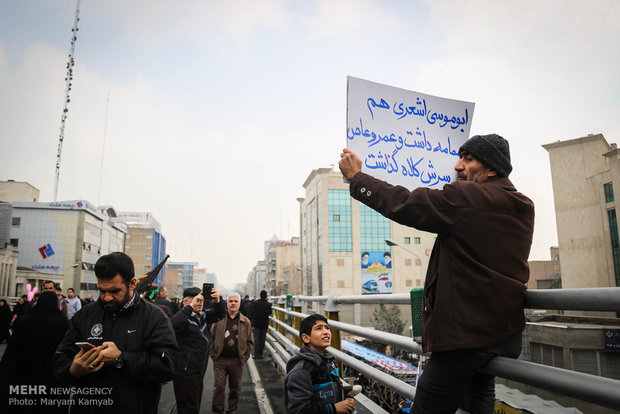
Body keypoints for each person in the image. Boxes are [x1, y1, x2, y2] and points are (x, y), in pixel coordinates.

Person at [339, 134, 535, 414]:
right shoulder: (524, 205)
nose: (457, 166)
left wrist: (358, 177)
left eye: (468, 159)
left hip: (465, 339)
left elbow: (407, 204)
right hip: (505, 333)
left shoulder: (468, 197)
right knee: (479, 395)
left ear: (491, 169)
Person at [54, 252, 178, 414]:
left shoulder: (154, 317)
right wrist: (71, 370)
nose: (106, 298)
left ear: (132, 284)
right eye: (102, 291)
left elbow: (167, 366)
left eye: (114, 291)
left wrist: (121, 358)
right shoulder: (85, 315)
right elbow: (59, 358)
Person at [1, 291, 69, 413]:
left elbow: (14, 349)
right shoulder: (63, 322)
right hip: (53, 371)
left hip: (27, 369)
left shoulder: (26, 320)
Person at [284, 314, 355, 414]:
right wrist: (334, 408)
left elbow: (324, 391)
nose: (326, 332)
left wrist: (346, 396)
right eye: (319, 328)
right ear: (306, 338)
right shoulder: (302, 370)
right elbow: (298, 410)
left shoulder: (329, 362)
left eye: (327, 328)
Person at [171, 286, 226, 414]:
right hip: (184, 374)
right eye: (197, 300)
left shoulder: (203, 317)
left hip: (198, 373)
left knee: (194, 407)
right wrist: (190, 308)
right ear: (185, 301)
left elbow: (220, 314)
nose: (200, 304)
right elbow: (173, 324)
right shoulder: (183, 317)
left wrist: (218, 301)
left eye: (202, 301)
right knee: (187, 409)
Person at [210, 292, 253, 414]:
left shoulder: (246, 322)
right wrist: (213, 355)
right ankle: (217, 411)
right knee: (219, 387)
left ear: (239, 304)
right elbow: (211, 337)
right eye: (230, 301)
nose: (233, 304)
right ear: (227, 303)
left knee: (235, 389)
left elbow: (250, 342)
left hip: (237, 360)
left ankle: (232, 411)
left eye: (235, 301)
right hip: (220, 360)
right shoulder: (219, 319)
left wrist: (244, 357)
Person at [251, 289, 272, 360]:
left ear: (260, 295)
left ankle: (256, 354)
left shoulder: (255, 303)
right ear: (266, 296)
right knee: (262, 339)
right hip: (264, 324)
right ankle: (261, 353)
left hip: (256, 323)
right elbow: (270, 312)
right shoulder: (268, 304)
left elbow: (252, 312)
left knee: (256, 338)